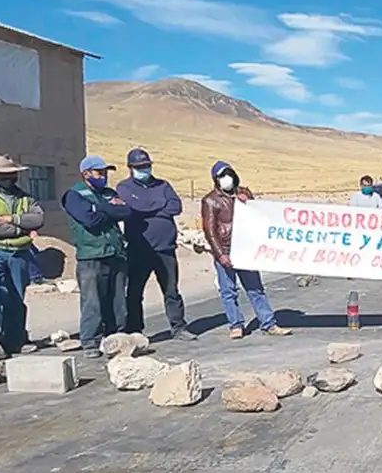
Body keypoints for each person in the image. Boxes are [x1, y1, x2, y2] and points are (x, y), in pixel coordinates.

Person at [202, 161, 292, 340]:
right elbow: (210, 230)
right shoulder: (210, 200)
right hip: (226, 250)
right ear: (216, 179)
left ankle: (268, 323)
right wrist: (220, 254)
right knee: (228, 291)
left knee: (255, 289)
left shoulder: (243, 193)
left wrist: (247, 200)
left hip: (245, 249)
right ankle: (236, 325)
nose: (227, 179)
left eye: (229, 174)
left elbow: (257, 214)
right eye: (222, 176)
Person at [115, 148, 196, 341]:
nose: (145, 169)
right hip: (139, 249)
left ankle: (178, 327)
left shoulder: (163, 185)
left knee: (171, 291)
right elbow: (134, 208)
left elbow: (175, 206)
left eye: (147, 166)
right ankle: (135, 330)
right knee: (134, 292)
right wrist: (160, 206)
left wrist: (148, 207)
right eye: (140, 167)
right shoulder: (124, 187)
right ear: (130, 168)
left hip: (165, 248)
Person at [61, 155, 132, 358]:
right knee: (92, 301)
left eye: (105, 172)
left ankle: (116, 337)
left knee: (118, 299)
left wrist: (99, 208)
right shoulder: (74, 195)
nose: (104, 176)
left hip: (116, 252)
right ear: (86, 174)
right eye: (99, 172)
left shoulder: (110, 192)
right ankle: (90, 341)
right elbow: (88, 220)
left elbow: (126, 212)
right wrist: (109, 210)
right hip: (91, 255)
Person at [0, 155, 44, 355]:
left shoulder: (25, 197)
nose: (11, 177)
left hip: (19, 253)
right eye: (5, 175)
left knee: (16, 297)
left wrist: (11, 219)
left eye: (12, 174)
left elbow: (37, 219)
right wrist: (21, 229)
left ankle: (16, 339)